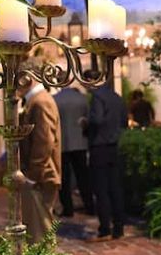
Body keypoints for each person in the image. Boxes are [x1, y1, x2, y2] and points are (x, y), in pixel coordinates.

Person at [17, 75, 61, 244]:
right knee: (35, 230)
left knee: (40, 233)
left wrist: (32, 176)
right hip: (38, 176)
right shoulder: (35, 100)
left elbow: (44, 142)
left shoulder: (41, 101)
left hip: (41, 177)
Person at [87, 82, 128, 241]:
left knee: (101, 189)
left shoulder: (97, 97)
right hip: (115, 146)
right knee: (116, 188)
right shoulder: (117, 98)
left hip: (100, 147)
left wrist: (86, 124)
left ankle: (105, 229)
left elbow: (96, 119)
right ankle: (119, 228)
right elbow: (124, 121)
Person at [54, 85, 94, 217]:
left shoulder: (55, 99)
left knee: (64, 178)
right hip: (80, 142)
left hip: (62, 143)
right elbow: (89, 119)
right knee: (83, 176)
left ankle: (68, 208)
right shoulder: (82, 99)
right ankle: (89, 205)